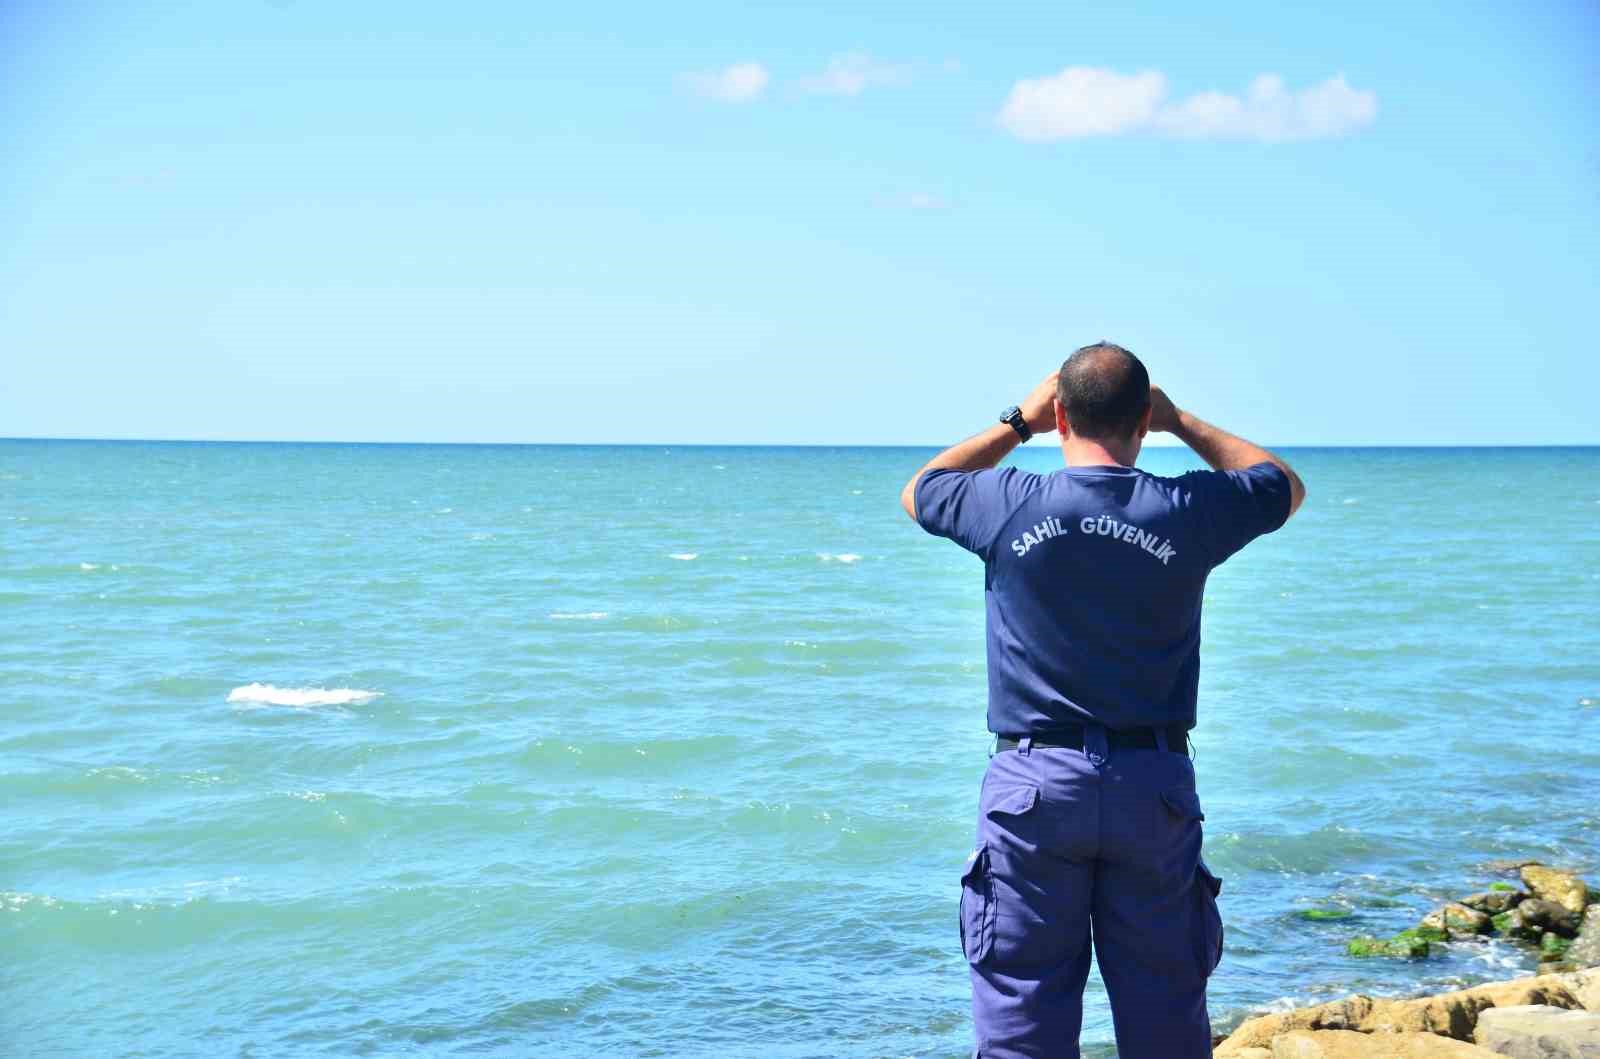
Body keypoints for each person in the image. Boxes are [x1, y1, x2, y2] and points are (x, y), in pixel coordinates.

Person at [900, 342, 1305, 1059]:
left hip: (1033, 785)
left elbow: (921, 488)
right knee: (1165, 1018)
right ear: (1143, 418)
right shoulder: (1185, 508)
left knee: (1022, 1014)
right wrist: (1185, 424)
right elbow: (1281, 485)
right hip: (1151, 785)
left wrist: (1015, 424)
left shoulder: (1006, 501)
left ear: (1059, 413)